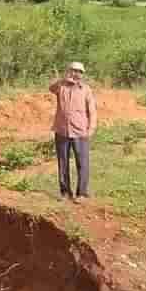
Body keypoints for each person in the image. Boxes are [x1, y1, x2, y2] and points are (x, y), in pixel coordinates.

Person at [48, 62, 97, 201]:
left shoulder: (86, 89)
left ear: (82, 74)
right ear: (68, 71)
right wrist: (63, 78)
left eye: (79, 72)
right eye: (73, 71)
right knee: (63, 163)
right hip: (61, 130)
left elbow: (92, 110)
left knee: (82, 163)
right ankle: (65, 193)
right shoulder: (60, 87)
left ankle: (81, 193)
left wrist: (91, 128)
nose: (76, 74)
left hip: (80, 131)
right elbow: (50, 87)